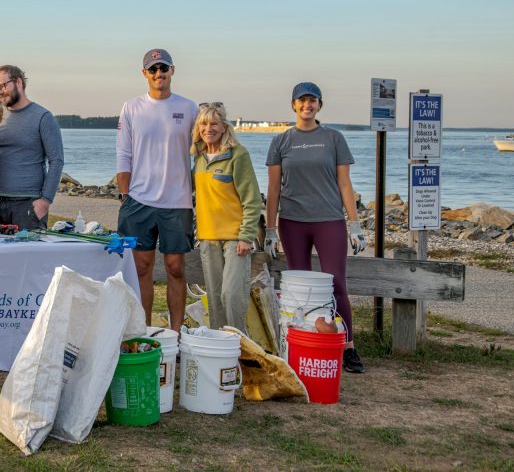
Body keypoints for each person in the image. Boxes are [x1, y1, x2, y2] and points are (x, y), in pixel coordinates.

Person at [264, 82, 367, 374]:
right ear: (293, 105)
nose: (307, 106)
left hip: (329, 220)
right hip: (293, 222)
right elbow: (273, 189)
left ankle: (347, 346)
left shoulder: (333, 138)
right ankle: (300, 343)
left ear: (319, 105)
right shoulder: (281, 141)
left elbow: (344, 183)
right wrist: (270, 230)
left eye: (312, 101)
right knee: (299, 288)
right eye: (302, 101)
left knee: (337, 285)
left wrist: (355, 224)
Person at [115, 48, 197, 331]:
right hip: (139, 200)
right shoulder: (131, 107)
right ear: (144, 74)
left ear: (172, 71)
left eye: (163, 68)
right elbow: (123, 153)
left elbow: (202, 151)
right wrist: (125, 194)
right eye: (153, 69)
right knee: (140, 269)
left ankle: (175, 333)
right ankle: (143, 330)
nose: (159, 74)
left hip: (178, 201)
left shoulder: (189, 108)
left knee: (175, 268)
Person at [191, 102, 262, 332]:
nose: (208, 128)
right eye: (203, 123)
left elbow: (252, 199)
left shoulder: (238, 155)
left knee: (231, 295)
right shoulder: (199, 158)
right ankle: (218, 352)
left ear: (224, 127)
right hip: (207, 238)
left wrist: (246, 236)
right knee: (214, 299)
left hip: (235, 239)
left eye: (213, 123)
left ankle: (240, 347)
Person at [0, 65, 64, 229]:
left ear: (18, 82)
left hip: (28, 203)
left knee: (29, 254)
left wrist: (45, 201)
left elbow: (56, 160)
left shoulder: (43, 117)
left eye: (3, 86)